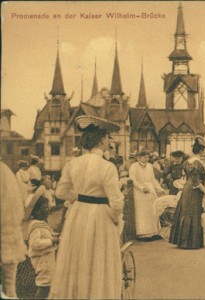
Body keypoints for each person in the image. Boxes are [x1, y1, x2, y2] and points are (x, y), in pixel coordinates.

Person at [50, 115, 124, 299]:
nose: (108, 141)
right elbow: (116, 202)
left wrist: (79, 197)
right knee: (98, 260)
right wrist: (114, 219)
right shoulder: (107, 167)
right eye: (108, 137)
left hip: (78, 215)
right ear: (101, 139)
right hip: (100, 217)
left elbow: (60, 192)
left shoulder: (73, 164)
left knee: (78, 258)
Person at [169, 136, 205, 249]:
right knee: (192, 212)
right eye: (204, 150)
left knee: (187, 211)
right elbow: (195, 181)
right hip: (194, 189)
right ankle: (191, 242)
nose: (204, 152)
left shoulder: (189, 161)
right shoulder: (196, 162)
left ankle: (184, 241)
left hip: (188, 188)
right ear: (201, 151)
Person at [24, 186, 59, 299]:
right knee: (44, 286)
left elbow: (46, 235)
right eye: (45, 207)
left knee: (49, 286)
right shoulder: (35, 226)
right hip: (42, 262)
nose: (47, 210)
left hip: (48, 260)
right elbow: (35, 244)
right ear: (37, 211)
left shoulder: (41, 224)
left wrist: (55, 237)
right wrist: (51, 241)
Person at [0, 161, 27, 298]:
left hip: (6, 240)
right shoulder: (5, 172)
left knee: (8, 289)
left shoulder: (4, 173)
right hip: (7, 242)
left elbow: (13, 214)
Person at [129, 149, 166, 241]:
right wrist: (141, 188)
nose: (146, 159)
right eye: (144, 157)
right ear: (138, 157)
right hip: (140, 192)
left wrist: (159, 189)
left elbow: (153, 179)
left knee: (153, 210)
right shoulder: (134, 166)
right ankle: (143, 234)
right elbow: (133, 179)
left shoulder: (149, 166)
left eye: (147, 157)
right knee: (142, 211)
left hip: (150, 190)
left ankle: (154, 232)